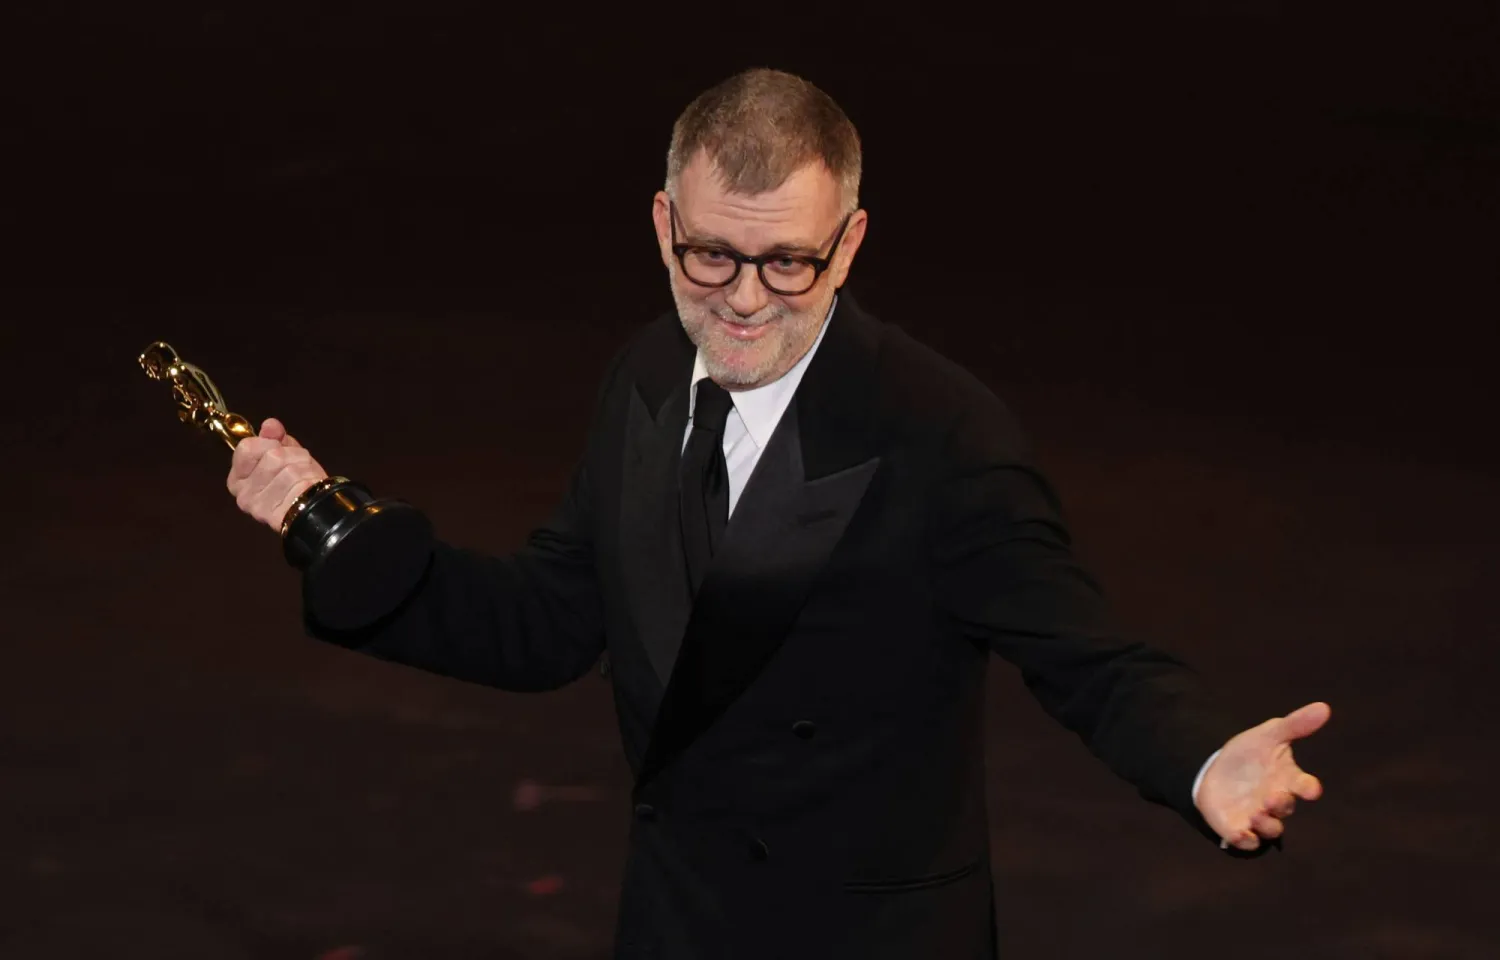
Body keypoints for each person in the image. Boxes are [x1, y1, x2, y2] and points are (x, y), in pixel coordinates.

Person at [226, 68, 1329, 959]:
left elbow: (1082, 652)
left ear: (848, 245)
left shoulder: (938, 431)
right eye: (712, 253)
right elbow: (551, 617)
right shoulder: (649, 377)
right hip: (678, 925)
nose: (745, 298)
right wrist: (329, 526)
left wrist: (1198, 759)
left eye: (789, 262)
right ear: (663, 226)